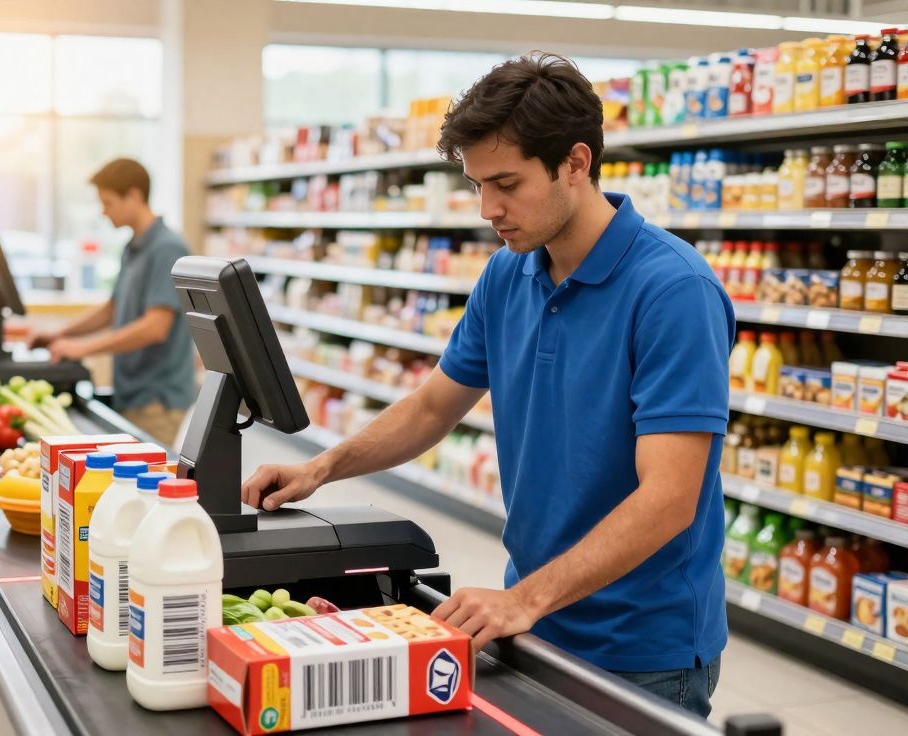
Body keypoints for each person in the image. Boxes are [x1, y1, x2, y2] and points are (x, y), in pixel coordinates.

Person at [242, 53, 732, 719]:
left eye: (506, 183)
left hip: (642, 650)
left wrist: (524, 597)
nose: (487, 209)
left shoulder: (673, 290)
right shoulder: (509, 274)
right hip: (533, 619)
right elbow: (431, 407)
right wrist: (323, 468)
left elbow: (671, 498)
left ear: (577, 163)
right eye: (476, 184)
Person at [29, 159, 195, 446]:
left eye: (108, 202)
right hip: (130, 391)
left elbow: (155, 327)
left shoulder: (168, 248)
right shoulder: (133, 246)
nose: (104, 212)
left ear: (134, 195)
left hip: (156, 399)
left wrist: (83, 348)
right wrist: (61, 333)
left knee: (142, 483)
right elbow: (112, 309)